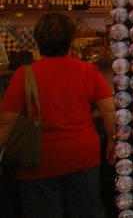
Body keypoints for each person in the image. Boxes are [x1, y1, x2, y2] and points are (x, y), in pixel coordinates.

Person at [0, 13, 114, 218]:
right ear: (70, 40)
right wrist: (113, 141)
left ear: (38, 41)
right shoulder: (87, 70)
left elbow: (6, 121)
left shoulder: (25, 75)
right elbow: (109, 110)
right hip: (83, 155)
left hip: (39, 160)